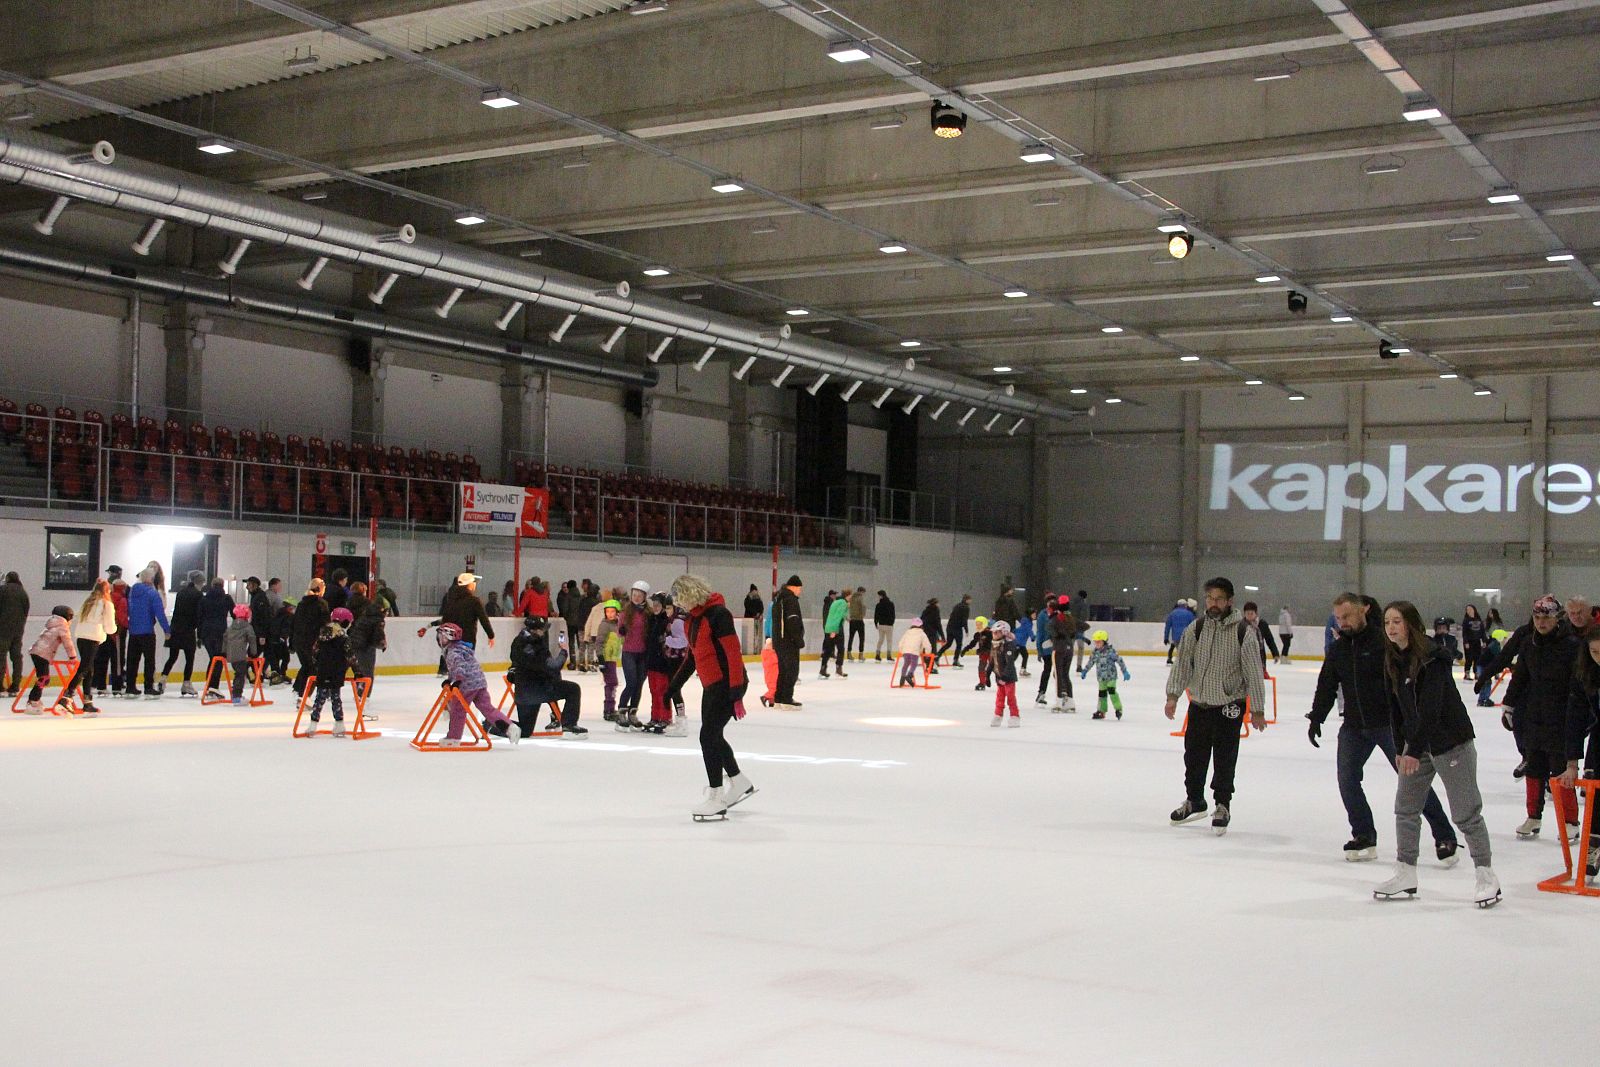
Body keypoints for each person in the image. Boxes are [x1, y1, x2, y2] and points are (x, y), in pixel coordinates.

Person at [1309, 592, 1459, 863]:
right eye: (1338, 618)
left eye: (1347, 616)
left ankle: (1444, 835)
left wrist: (1411, 721)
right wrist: (1317, 717)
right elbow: (1327, 684)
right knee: (1347, 779)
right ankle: (1363, 834)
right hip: (1354, 726)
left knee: (1412, 782)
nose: (1342, 622)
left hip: (1389, 725)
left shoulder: (1383, 643)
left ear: (1363, 611)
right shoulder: (1339, 649)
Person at [1370, 600, 1501, 908]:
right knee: (1406, 808)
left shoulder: (1433, 658)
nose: (1391, 627)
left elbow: (1431, 709)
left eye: (1397, 621)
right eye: (1387, 622)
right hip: (1417, 744)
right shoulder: (1392, 658)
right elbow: (1395, 708)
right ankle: (1405, 872)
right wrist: (1401, 747)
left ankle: (1486, 875)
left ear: (1411, 624)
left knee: (1466, 813)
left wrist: (1413, 750)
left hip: (1451, 742)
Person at [1164, 577, 1267, 835]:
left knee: (1224, 758)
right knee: (1193, 756)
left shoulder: (1243, 632)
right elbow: (1182, 664)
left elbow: (1254, 673)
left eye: (1219, 599)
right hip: (1200, 703)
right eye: (1210, 598)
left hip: (1229, 705)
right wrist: (1173, 695)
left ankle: (1222, 805)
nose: (1213, 603)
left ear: (1229, 601)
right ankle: (1195, 800)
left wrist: (1257, 709)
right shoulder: (1197, 628)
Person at [663, 575, 754, 821]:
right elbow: (692, 658)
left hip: (728, 684)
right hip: (712, 686)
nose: (679, 605)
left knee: (708, 737)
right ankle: (738, 780)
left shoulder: (718, 615)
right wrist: (673, 686)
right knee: (713, 735)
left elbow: (733, 653)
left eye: (681, 599)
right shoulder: (692, 620)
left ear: (690, 594)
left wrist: (736, 693)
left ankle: (716, 797)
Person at [1503, 594, 1586, 841]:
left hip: (1561, 719)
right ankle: (1533, 817)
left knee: (1561, 772)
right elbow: (1520, 677)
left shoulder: (1571, 646)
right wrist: (1509, 704)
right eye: (1537, 617)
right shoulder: (1529, 644)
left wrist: (1580, 716)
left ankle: (1570, 821)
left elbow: (1579, 683)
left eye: (1546, 617)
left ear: (1557, 618)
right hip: (1534, 716)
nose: (1541, 622)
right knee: (1534, 769)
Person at [430, 621, 516, 747]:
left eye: (441, 637)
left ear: (447, 637)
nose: (439, 640)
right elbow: (458, 667)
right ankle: (510, 727)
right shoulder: (461, 648)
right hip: (479, 682)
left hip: (467, 684)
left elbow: (459, 666)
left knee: (458, 710)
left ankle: (453, 738)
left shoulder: (453, 652)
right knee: (487, 708)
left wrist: (457, 681)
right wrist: (450, 679)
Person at [509, 613, 587, 739]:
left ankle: (490, 723)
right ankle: (569, 726)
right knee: (573, 689)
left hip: (523, 693)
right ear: (535, 630)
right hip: (542, 689)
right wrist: (563, 651)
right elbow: (553, 666)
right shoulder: (537, 646)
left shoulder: (517, 642)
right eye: (542, 629)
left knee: (524, 730)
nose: (544, 632)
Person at [1570, 629, 1600, 876]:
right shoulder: (1585, 674)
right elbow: (1575, 717)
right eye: (1595, 652)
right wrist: (1572, 761)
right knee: (1596, 795)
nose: (1599, 657)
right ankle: (1594, 844)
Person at [304, 607, 359, 737]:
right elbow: (350, 655)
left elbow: (314, 652)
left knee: (319, 698)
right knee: (335, 697)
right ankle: (339, 724)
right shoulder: (343, 638)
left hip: (323, 670)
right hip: (337, 670)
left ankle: (312, 725)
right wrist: (357, 671)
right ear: (344, 622)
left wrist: (317, 666)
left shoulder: (322, 636)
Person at [62, 580, 114, 716]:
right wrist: (112, 630)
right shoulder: (106, 604)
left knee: (89, 669)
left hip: (81, 637)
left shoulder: (88, 602)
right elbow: (110, 627)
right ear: (106, 591)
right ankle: (67, 696)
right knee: (85, 668)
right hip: (93, 638)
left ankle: (87, 702)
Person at [125, 567, 171, 699]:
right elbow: (159, 613)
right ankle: (148, 687)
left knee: (132, 660)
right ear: (151, 579)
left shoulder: (133, 591)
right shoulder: (152, 593)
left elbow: (129, 609)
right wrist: (167, 630)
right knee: (149, 661)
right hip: (147, 631)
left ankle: (130, 687)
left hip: (133, 631)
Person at [22, 606, 77, 714]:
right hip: (42, 653)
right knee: (44, 678)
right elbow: (68, 643)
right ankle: (33, 701)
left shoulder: (53, 623)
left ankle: (34, 700)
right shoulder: (62, 626)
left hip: (37, 651)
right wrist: (72, 657)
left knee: (43, 678)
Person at [614, 580, 652, 728]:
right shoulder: (626, 612)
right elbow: (619, 631)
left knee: (639, 684)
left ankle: (633, 712)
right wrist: (621, 630)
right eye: (634, 595)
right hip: (629, 652)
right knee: (631, 682)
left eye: (639, 595)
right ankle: (621, 711)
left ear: (644, 597)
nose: (636, 598)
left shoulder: (648, 613)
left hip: (643, 653)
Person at [160, 570, 204, 697]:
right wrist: (199, 634)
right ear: (199, 582)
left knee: (172, 657)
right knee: (189, 658)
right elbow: (198, 615)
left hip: (176, 628)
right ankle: (186, 683)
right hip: (188, 630)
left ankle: (163, 679)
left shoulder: (181, 592)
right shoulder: (198, 595)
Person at [1079, 630, 1131, 720]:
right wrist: (1085, 671)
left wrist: (1125, 671)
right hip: (1101, 677)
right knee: (1102, 694)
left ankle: (1118, 709)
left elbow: (1120, 660)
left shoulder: (1110, 651)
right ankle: (1101, 711)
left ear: (1104, 641)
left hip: (1111, 676)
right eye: (1096, 642)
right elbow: (1091, 662)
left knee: (1111, 690)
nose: (1097, 644)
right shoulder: (1095, 652)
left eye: (1099, 642)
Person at [292, 578, 331, 696]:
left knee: (307, 665)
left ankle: (298, 689)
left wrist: (292, 642)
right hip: (313, 641)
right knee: (314, 669)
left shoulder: (301, 604)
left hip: (299, 641)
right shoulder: (321, 604)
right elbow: (326, 624)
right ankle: (305, 695)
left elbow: (294, 623)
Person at [198, 578, 236, 700]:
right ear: (223, 585)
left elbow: (199, 618)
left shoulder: (204, 599)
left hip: (207, 632)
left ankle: (210, 686)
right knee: (219, 659)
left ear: (212, 585)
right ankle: (213, 687)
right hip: (220, 633)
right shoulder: (226, 598)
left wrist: (199, 636)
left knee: (213, 658)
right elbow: (235, 614)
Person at [772, 575, 804, 709]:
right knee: (792, 670)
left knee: (783, 670)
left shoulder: (779, 599)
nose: (800, 591)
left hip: (779, 640)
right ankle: (786, 698)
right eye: (799, 588)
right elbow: (793, 621)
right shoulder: (790, 600)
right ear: (794, 587)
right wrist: (798, 639)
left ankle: (779, 697)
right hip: (789, 641)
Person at [0, 571, 31, 697]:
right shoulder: (23, 592)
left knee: (1, 657)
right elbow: (26, 610)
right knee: (16, 657)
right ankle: (15, 685)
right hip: (18, 630)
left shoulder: (3, 590)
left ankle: (0, 686)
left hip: (3, 629)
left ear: (7, 579)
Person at [97, 578, 129, 698]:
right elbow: (122, 618)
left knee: (102, 660)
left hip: (104, 632)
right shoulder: (122, 600)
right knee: (117, 661)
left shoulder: (106, 598)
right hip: (117, 634)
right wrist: (126, 625)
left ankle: (101, 686)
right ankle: (117, 687)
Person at [347, 591, 387, 685]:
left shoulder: (365, 615)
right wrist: (382, 644)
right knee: (367, 670)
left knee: (358, 669)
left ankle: (359, 687)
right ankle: (363, 690)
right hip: (365, 647)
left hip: (353, 643)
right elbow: (378, 635)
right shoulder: (378, 619)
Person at [223, 605, 257, 706]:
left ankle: (236, 694)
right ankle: (237, 696)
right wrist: (253, 653)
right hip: (241, 655)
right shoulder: (248, 627)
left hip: (231, 655)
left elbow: (225, 638)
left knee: (238, 673)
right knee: (240, 675)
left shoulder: (231, 627)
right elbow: (252, 639)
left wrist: (224, 652)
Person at [1047, 595, 1077, 712]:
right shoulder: (1071, 618)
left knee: (1059, 675)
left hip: (1059, 648)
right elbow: (1084, 626)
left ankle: (1059, 702)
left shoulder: (1057, 618)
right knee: (1066, 675)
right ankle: (1070, 702)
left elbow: (1049, 628)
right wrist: (1072, 634)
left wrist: (1056, 635)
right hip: (1069, 649)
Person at [989, 620, 1020, 727]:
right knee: (999, 698)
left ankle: (1014, 716)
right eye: (993, 632)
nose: (994, 634)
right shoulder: (995, 645)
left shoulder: (1008, 645)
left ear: (1004, 632)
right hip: (999, 676)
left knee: (1010, 698)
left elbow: (1010, 663)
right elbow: (992, 661)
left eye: (996, 632)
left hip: (1008, 678)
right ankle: (998, 715)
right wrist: (988, 674)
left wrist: (1005, 677)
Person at [895, 619, 932, 688]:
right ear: (921, 626)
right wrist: (927, 653)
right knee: (914, 664)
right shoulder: (922, 633)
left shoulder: (907, 632)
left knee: (906, 663)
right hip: (914, 651)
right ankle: (909, 675)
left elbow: (901, 642)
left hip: (906, 650)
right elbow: (927, 644)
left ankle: (902, 678)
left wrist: (901, 650)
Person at [938, 594, 972, 668]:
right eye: (970, 600)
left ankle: (937, 656)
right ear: (967, 600)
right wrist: (966, 630)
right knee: (959, 645)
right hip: (957, 628)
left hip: (950, 627)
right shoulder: (966, 608)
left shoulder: (957, 605)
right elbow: (964, 620)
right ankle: (955, 660)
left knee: (948, 644)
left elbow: (952, 615)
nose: (971, 601)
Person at [820, 591, 848, 679]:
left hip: (828, 627)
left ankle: (823, 668)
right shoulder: (843, 603)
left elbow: (832, 616)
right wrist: (835, 630)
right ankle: (838, 669)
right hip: (836, 628)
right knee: (840, 649)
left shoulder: (834, 603)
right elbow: (838, 617)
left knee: (828, 649)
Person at [962, 616, 993, 690]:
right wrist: (965, 649)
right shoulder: (978, 634)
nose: (978, 626)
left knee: (994, 667)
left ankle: (1001, 681)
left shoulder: (990, 633)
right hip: (983, 654)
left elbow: (992, 643)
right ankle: (982, 683)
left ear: (984, 624)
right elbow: (973, 643)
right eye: (977, 624)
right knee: (981, 668)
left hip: (991, 653)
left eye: (980, 624)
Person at [1162, 598, 1195, 665]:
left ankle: (1173, 660)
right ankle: (1184, 663)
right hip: (1186, 636)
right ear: (1185, 605)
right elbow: (1194, 625)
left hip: (1176, 637)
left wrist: (1166, 638)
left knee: (1177, 649)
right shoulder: (1189, 614)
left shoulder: (1172, 614)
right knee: (1185, 651)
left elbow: (1167, 626)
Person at [1460, 604, 1486, 682]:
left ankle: (1476, 673)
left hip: (1477, 642)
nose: (1469, 611)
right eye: (1467, 610)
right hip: (1469, 642)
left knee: (1477, 658)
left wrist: (1484, 641)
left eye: (1470, 609)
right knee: (1469, 658)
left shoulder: (1479, 620)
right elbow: (1464, 632)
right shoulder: (1466, 621)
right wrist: (1466, 642)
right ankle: (1467, 673)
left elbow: (1482, 632)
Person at [919, 598, 945, 673]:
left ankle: (927, 663)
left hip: (925, 632)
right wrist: (942, 635)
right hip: (932, 633)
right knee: (933, 650)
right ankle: (930, 667)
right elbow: (938, 624)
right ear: (935, 603)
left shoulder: (925, 611)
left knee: (926, 648)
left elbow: (921, 620)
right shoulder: (936, 611)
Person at [872, 589, 896, 662]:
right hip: (889, 625)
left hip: (881, 624)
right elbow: (893, 614)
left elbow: (876, 615)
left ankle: (877, 654)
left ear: (881, 596)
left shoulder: (878, 605)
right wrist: (892, 622)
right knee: (889, 640)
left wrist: (876, 622)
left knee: (880, 640)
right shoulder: (891, 604)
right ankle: (889, 655)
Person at [846, 586, 867, 663]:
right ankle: (860, 655)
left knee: (851, 637)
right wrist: (863, 615)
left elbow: (847, 607)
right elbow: (863, 607)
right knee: (861, 638)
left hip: (852, 620)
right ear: (861, 591)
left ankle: (849, 653)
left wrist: (848, 617)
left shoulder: (851, 598)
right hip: (859, 620)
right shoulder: (860, 598)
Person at [1014, 609, 1035, 677]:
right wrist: (1032, 637)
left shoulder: (1027, 621)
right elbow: (1029, 630)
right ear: (1030, 615)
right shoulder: (1028, 622)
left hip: (1019, 641)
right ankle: (1006, 668)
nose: (1035, 615)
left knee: (1023, 655)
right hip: (1019, 642)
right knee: (1015, 656)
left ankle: (1022, 670)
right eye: (1033, 614)